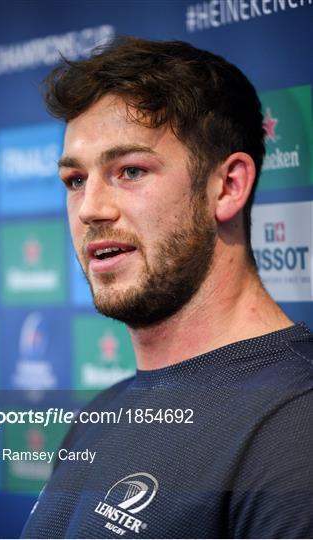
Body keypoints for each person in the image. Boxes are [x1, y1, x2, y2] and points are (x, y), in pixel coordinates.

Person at [21, 37, 313, 539]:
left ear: (227, 186)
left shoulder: (297, 425)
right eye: (74, 180)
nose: (90, 208)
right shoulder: (99, 415)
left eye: (130, 171)